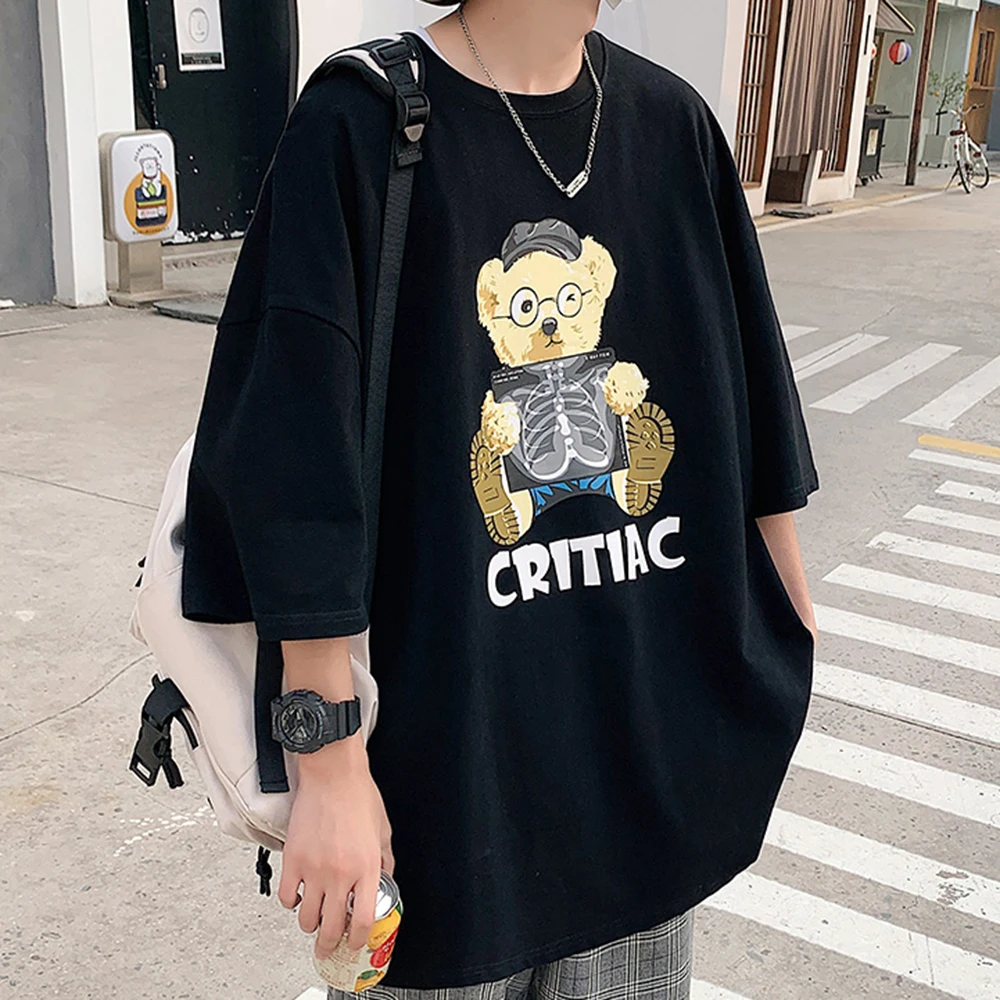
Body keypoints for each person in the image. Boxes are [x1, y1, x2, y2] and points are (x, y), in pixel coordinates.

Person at [181, 0, 820, 997]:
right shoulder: (360, 123)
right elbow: (291, 466)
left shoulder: (673, 127)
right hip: (444, 788)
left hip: (640, 778)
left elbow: (753, 411)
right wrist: (328, 763)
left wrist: (788, 632)